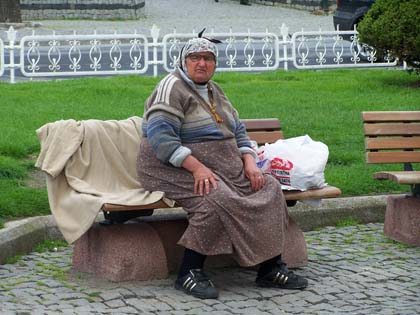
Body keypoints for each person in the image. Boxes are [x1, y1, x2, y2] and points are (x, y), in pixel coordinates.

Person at [136, 32, 308, 299]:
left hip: (223, 165)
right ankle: (189, 272)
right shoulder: (171, 88)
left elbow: (238, 129)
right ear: (183, 61)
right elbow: (161, 140)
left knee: (269, 188)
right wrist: (197, 168)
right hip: (171, 167)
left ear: (215, 64)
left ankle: (270, 268)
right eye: (195, 58)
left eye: (207, 58)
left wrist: (249, 161)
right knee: (215, 197)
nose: (201, 63)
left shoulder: (215, 90)